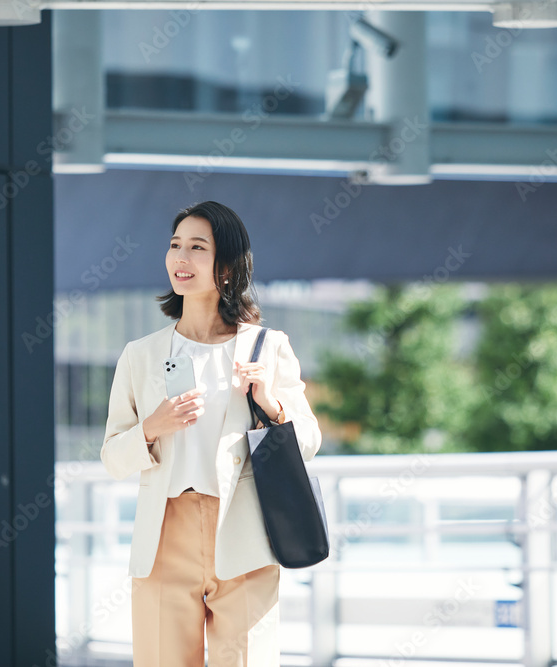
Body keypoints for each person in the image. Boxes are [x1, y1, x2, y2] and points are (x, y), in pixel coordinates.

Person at [100, 201, 323, 666]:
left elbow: (308, 441)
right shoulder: (140, 356)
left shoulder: (266, 346)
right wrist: (151, 428)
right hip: (165, 538)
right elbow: (112, 458)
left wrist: (269, 402)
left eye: (197, 247)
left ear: (226, 266)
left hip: (244, 530)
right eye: (175, 245)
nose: (180, 258)